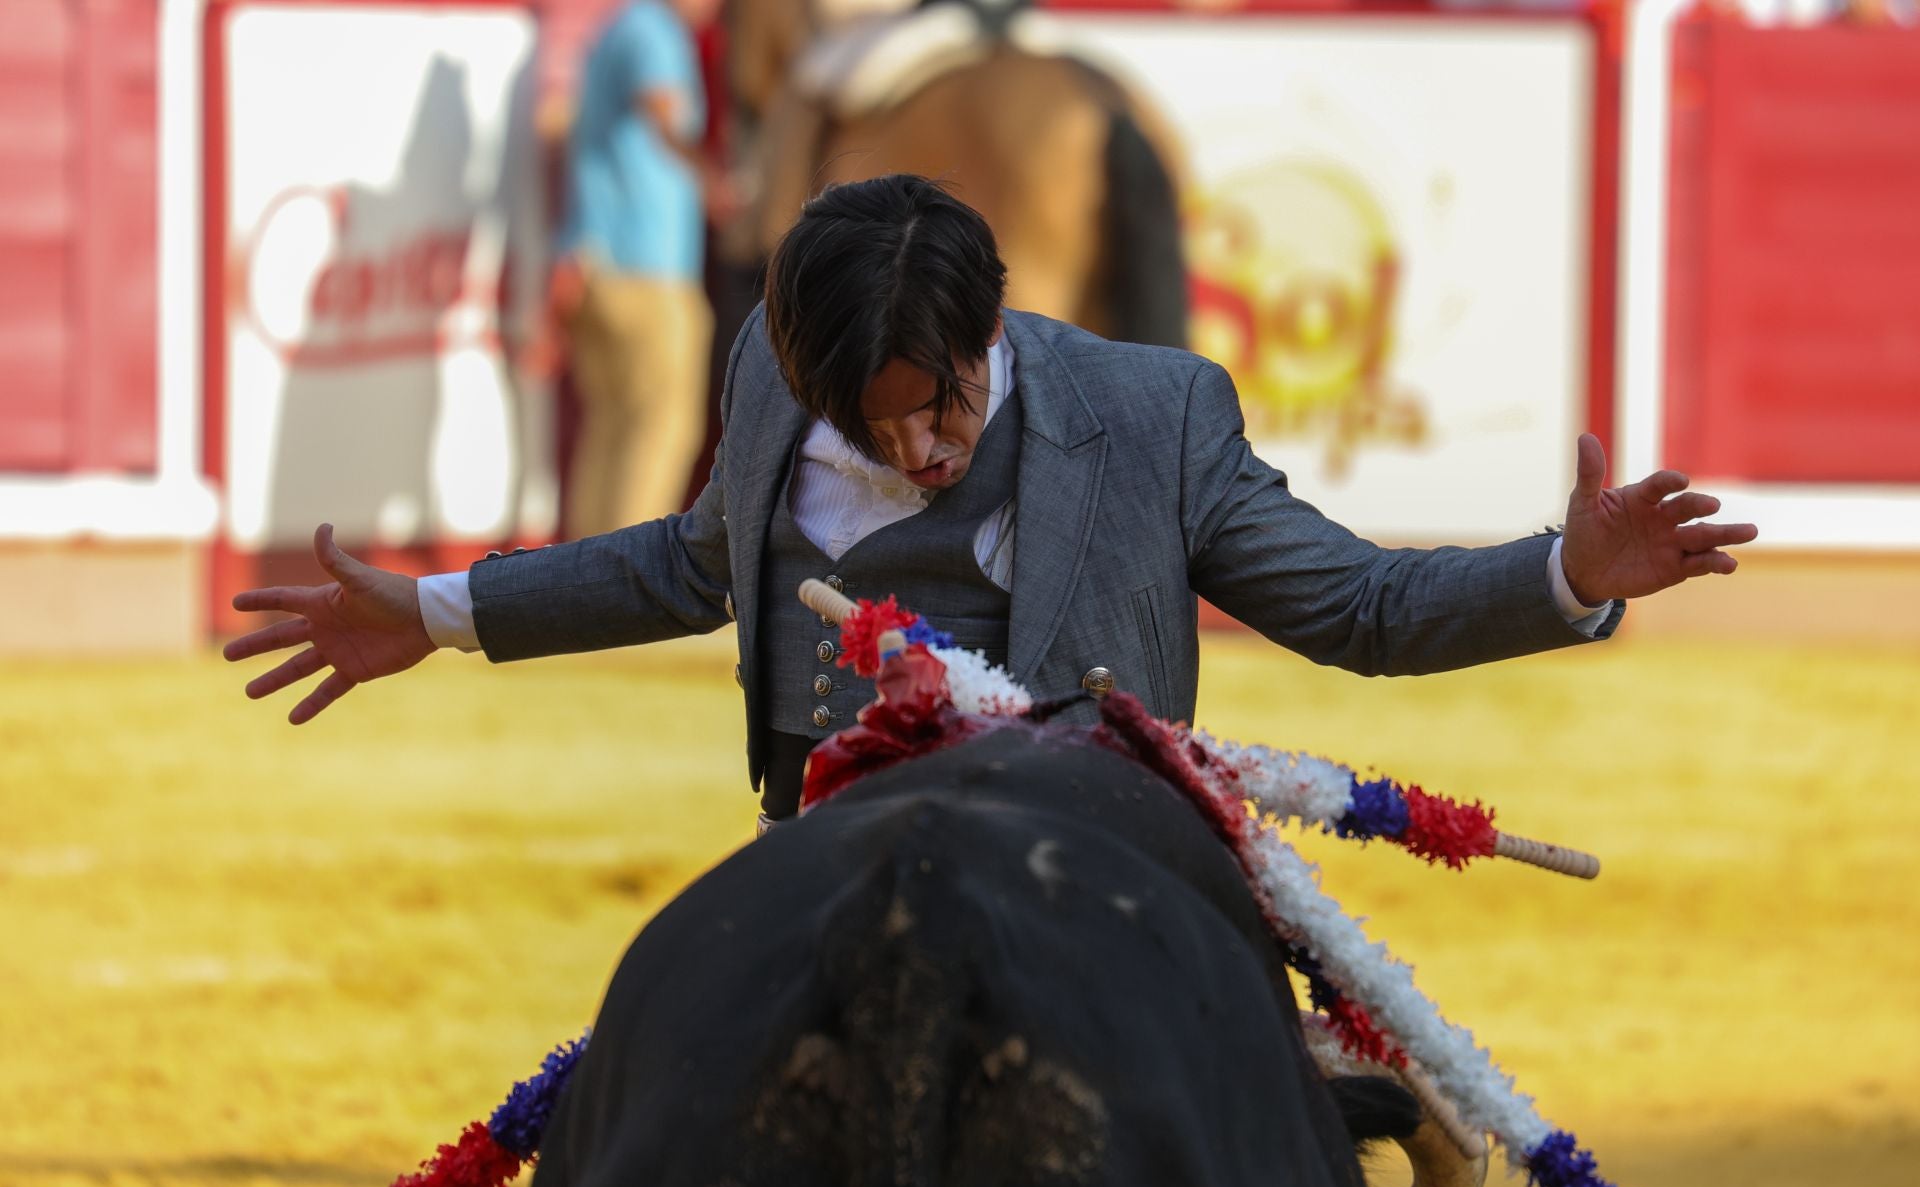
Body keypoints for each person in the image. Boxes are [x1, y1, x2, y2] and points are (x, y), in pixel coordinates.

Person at [225, 176, 1758, 829]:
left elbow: (1357, 610)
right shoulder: (770, 380)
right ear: (794, 370)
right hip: (826, 837)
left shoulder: (1155, 417)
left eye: (947, 400)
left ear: (995, 328)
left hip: (1096, 844)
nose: (926, 448)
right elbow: (694, 567)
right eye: (874, 424)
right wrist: (436, 614)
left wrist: (1562, 571)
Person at [544, 0, 725, 539]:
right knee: (660, 429)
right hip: (648, 269)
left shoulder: (620, 26)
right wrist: (714, 181)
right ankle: (623, 602)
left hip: (596, 264)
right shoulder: (656, 31)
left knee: (610, 432)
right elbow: (664, 112)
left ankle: (580, 591)